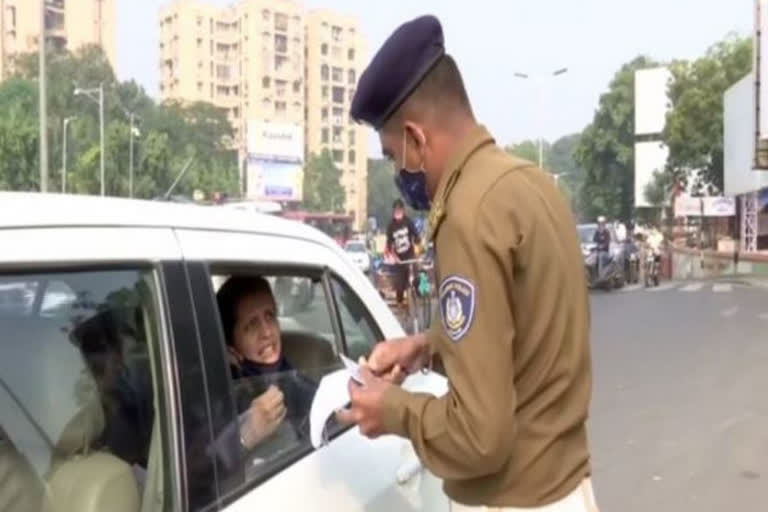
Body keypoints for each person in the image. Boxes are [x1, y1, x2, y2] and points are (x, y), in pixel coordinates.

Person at [338, 14, 598, 511]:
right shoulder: (531, 184)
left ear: (416, 138)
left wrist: (392, 410)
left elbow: (480, 437)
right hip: (566, 489)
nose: (399, 173)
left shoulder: (466, 214)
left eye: (394, 157)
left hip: (517, 500)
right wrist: (427, 344)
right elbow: (526, 329)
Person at [212, 276, 317, 469]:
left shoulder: (299, 384)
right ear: (230, 347)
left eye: (270, 316)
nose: (267, 332)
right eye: (251, 325)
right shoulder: (218, 399)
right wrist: (245, 435)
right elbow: (199, 477)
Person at [386, 198, 421, 308]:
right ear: (393, 211)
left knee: (416, 275)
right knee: (400, 285)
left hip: (409, 254)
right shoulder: (391, 226)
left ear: (403, 210)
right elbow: (389, 243)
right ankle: (400, 303)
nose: (398, 212)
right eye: (396, 210)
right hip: (399, 258)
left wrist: (418, 241)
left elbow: (415, 234)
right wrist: (393, 256)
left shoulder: (408, 221)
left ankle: (417, 290)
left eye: (399, 209)